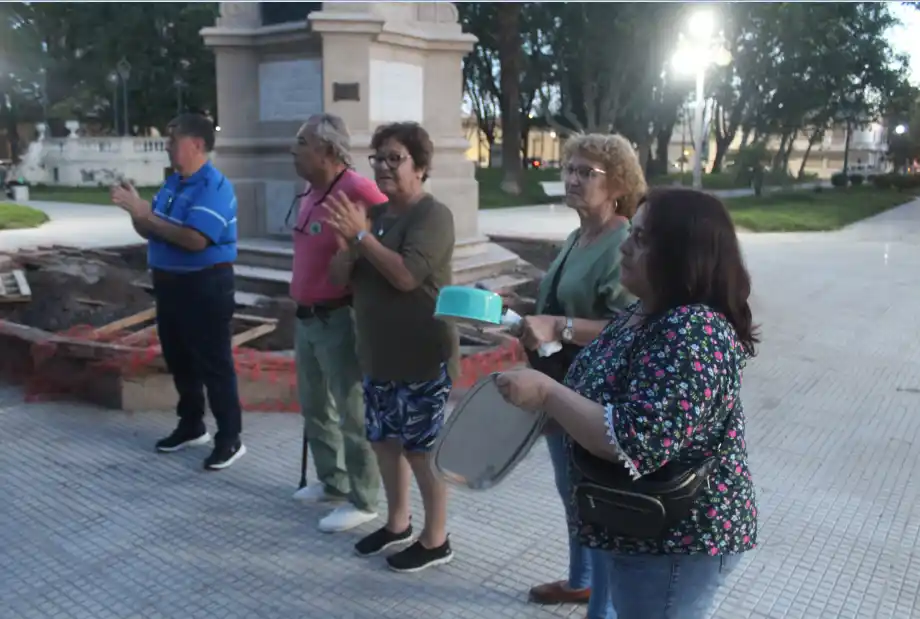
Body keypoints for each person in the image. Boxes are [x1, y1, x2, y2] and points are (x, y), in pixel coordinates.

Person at [495, 188, 759, 619]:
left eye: (640, 238)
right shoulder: (645, 311)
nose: (625, 246)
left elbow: (637, 440)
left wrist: (547, 393)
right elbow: (599, 392)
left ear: (680, 254)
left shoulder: (695, 330)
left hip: (679, 540)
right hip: (640, 528)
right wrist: (545, 412)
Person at [510, 133, 646, 619]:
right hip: (563, 383)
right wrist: (521, 312)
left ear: (618, 184)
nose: (571, 178)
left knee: (594, 505)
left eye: (586, 172)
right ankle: (581, 581)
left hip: (595, 395)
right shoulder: (578, 236)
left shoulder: (623, 241)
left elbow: (631, 325)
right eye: (568, 168)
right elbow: (559, 307)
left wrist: (559, 326)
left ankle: (600, 607)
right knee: (573, 494)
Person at [325, 121, 458, 573]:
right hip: (378, 356)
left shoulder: (432, 216)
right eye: (377, 157)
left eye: (394, 158)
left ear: (420, 167)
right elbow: (339, 278)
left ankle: (436, 538)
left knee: (422, 450)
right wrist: (348, 243)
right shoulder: (376, 217)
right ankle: (398, 523)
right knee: (385, 442)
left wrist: (362, 237)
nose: (382, 166)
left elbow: (405, 276)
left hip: (422, 355)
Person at [110, 113, 245, 470]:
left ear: (196, 144)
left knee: (214, 364)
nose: (168, 146)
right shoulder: (173, 185)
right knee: (180, 360)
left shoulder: (214, 187)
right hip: (169, 286)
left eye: (174, 140)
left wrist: (145, 214)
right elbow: (153, 231)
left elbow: (194, 239)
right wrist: (135, 211)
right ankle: (191, 424)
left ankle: (230, 438)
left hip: (205, 285)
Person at [287, 114, 386, 533]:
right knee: (314, 406)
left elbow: (386, 236)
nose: (294, 149)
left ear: (327, 151)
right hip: (306, 316)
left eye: (302, 142)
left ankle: (364, 499)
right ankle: (333, 481)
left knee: (350, 409)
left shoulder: (358, 190)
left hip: (338, 317)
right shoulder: (312, 189)